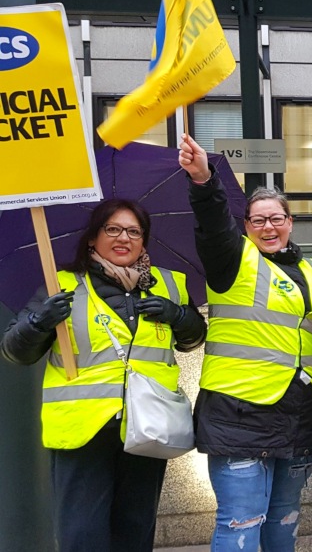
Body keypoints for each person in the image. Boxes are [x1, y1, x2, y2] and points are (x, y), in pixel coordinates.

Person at [1, 198, 207, 552]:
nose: (123, 237)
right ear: (93, 238)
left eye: (133, 231)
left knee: (135, 529)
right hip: (83, 430)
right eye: (112, 229)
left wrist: (178, 315)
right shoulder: (60, 285)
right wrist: (38, 322)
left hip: (147, 428)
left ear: (144, 241)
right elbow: (15, 351)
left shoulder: (168, 284)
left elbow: (193, 339)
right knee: (82, 535)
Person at [179, 134, 312, 552]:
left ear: (290, 222)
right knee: (240, 523)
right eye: (258, 220)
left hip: (301, 412)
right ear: (246, 226)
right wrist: (204, 180)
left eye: (276, 218)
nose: (268, 227)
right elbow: (212, 225)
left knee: (284, 521)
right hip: (239, 415)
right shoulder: (232, 260)